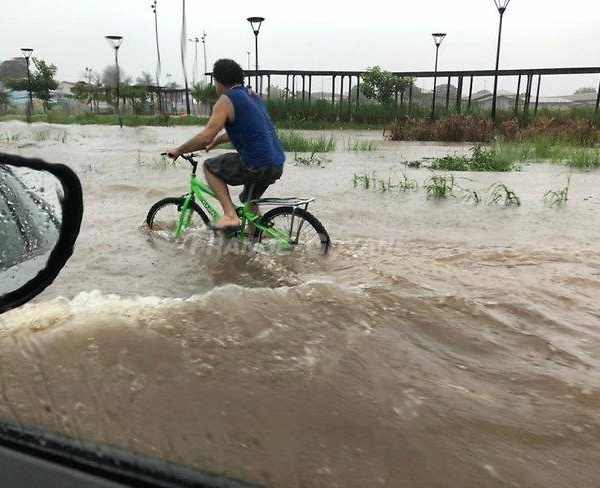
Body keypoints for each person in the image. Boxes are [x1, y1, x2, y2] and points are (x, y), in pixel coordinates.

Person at [167, 58, 285, 232]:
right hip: (276, 164)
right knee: (248, 200)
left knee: (209, 167)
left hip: (256, 164)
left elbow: (204, 137)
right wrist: (217, 141)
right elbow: (244, 129)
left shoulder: (226, 100)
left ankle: (230, 215)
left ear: (220, 80)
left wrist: (178, 150)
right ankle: (256, 237)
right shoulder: (252, 96)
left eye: (215, 81)